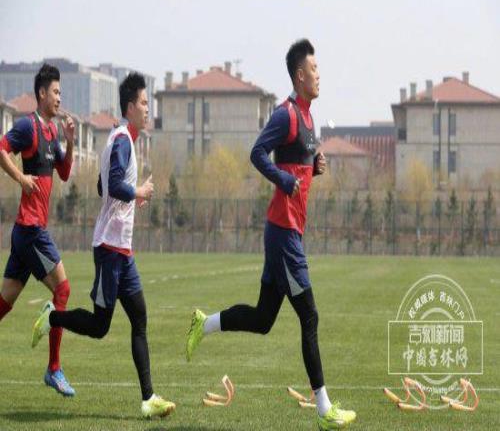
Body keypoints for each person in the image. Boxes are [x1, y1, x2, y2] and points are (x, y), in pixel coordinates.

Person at [186, 39, 356, 429]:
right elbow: (257, 153)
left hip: (289, 231)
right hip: (283, 234)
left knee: (264, 318)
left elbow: (300, 167)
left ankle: (204, 323)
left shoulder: (309, 117)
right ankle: (324, 409)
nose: (319, 75)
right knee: (309, 315)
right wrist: (283, 179)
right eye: (314, 69)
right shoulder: (286, 114)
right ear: (300, 75)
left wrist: (314, 169)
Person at [32, 72, 175, 419]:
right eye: (144, 103)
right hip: (110, 248)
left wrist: (131, 196)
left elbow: (102, 187)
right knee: (100, 326)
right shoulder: (123, 140)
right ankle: (53, 317)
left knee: (139, 318)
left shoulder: (118, 139)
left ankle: (148, 399)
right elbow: (111, 183)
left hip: (121, 249)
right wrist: (138, 191)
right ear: (130, 107)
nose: (148, 109)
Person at [0, 63, 75, 396]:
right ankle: (54, 370)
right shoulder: (28, 127)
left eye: (60, 92)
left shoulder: (52, 132)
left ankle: (54, 367)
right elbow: (1, 149)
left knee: (4, 302)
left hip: (25, 232)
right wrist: (20, 177)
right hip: (31, 231)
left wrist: (70, 141)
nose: (59, 97)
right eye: (55, 92)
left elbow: (65, 173)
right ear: (42, 93)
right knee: (63, 290)